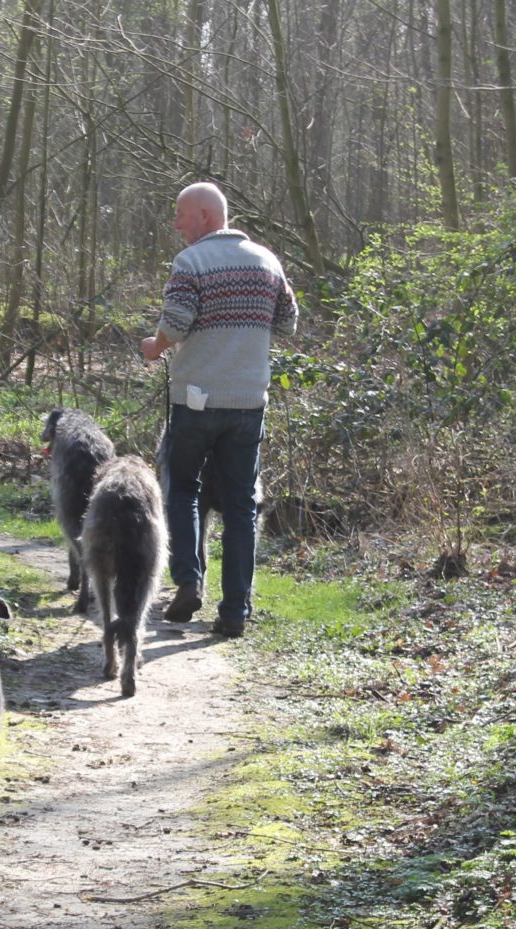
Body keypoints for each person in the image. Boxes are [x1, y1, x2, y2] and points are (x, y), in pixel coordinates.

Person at [141, 182, 297, 638]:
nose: (175, 224)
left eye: (180, 215)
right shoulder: (268, 261)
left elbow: (175, 323)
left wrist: (155, 347)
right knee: (240, 506)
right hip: (249, 402)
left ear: (206, 216)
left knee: (183, 488)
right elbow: (287, 323)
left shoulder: (190, 263)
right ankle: (234, 613)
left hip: (195, 398)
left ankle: (188, 581)